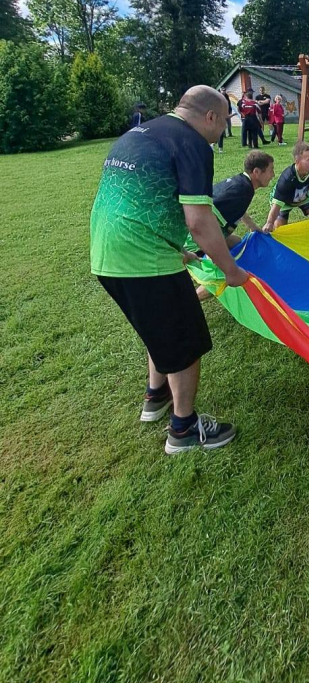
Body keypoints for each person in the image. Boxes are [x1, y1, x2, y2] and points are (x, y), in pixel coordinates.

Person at [90, 85, 248, 455]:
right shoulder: (192, 143)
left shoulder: (139, 133)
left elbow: (146, 200)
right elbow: (199, 220)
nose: (223, 130)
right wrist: (230, 271)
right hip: (144, 261)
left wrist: (177, 249)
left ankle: (156, 396)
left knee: (159, 330)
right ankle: (183, 429)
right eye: (224, 121)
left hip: (106, 254)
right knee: (185, 342)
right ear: (210, 116)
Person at [190, 151, 275, 297]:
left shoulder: (242, 183)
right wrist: (215, 253)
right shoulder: (243, 190)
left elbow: (237, 209)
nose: (273, 175)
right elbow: (207, 217)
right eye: (270, 170)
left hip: (210, 229)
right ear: (256, 172)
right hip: (198, 236)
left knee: (238, 244)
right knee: (221, 276)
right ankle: (192, 299)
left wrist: (254, 228)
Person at [264, 141, 309, 230]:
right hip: (285, 202)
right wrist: (269, 223)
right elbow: (276, 206)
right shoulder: (287, 178)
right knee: (279, 229)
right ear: (297, 161)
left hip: (306, 197)